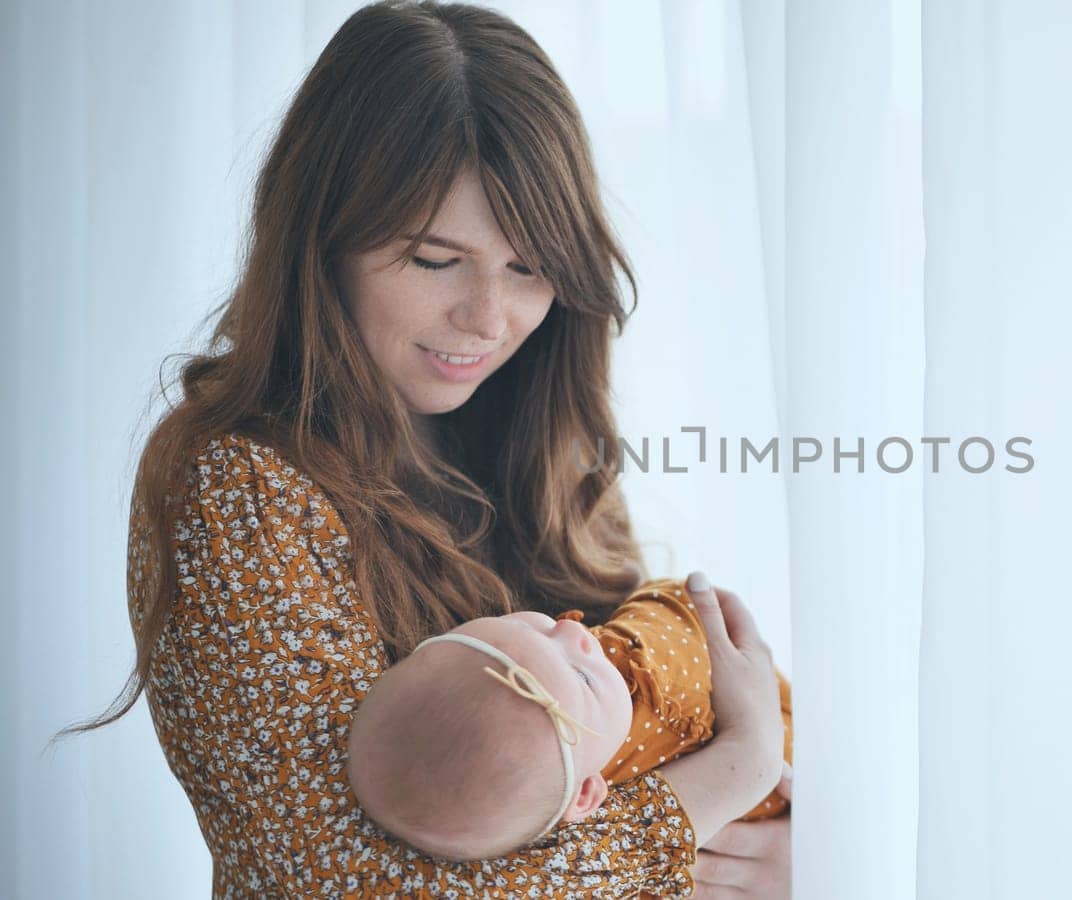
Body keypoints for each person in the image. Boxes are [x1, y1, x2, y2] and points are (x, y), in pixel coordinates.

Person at [69, 1, 793, 895]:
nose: (488, 321)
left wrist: (777, 852)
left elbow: (618, 758)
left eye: (529, 268)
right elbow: (344, 883)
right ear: (322, 238)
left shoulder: (539, 442)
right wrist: (731, 777)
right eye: (433, 260)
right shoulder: (239, 483)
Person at [347, 573, 795, 861]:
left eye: (524, 629)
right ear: (586, 796)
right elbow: (681, 604)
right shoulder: (659, 700)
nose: (573, 631)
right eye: (584, 679)